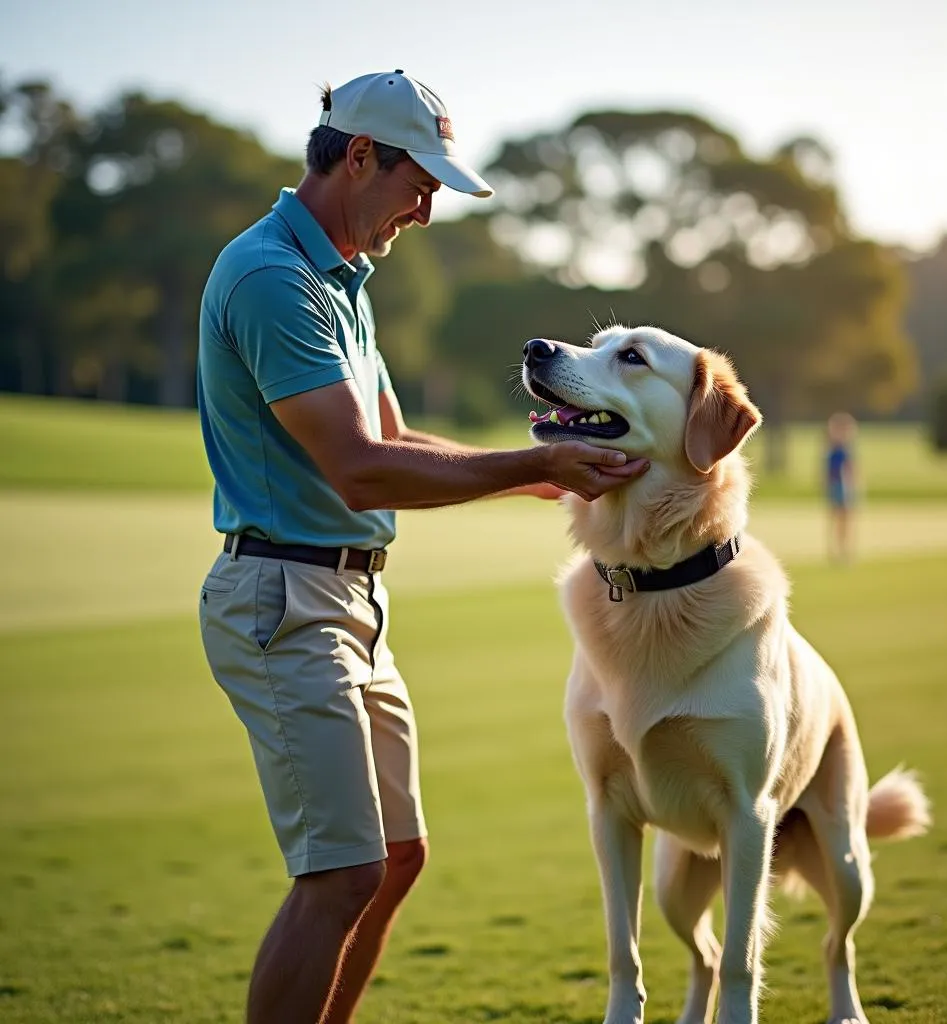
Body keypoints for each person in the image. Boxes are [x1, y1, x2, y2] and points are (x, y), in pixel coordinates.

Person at [195, 70, 648, 1024]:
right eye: (422, 183)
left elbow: (397, 441)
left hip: (352, 604)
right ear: (359, 156)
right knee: (341, 871)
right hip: (285, 599)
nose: (428, 210)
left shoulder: (340, 278)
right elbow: (360, 470)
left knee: (394, 859)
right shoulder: (275, 277)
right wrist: (546, 464)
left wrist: (539, 472)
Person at [825, 411, 858, 562]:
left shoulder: (845, 450)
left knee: (845, 520)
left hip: (845, 488)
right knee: (837, 519)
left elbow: (852, 470)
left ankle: (844, 550)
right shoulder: (833, 451)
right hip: (837, 487)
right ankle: (836, 551)